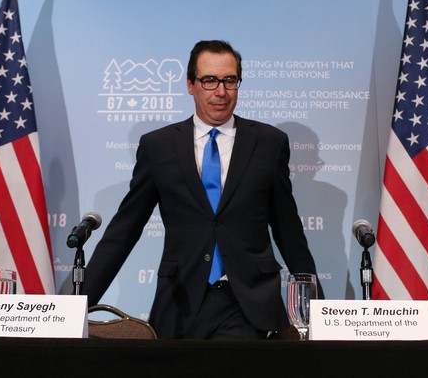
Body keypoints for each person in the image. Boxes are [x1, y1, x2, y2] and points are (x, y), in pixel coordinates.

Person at [82, 39, 322, 339]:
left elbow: (289, 232)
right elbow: (124, 230)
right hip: (180, 303)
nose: (221, 91)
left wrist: (320, 315)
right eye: (209, 80)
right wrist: (74, 308)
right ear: (190, 85)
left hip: (248, 304)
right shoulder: (158, 147)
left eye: (230, 80)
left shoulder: (269, 143)